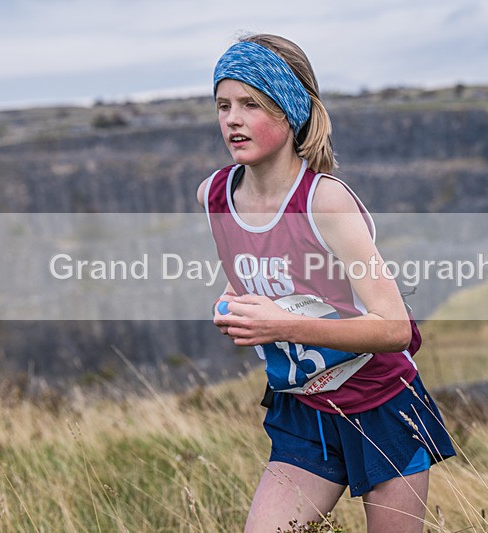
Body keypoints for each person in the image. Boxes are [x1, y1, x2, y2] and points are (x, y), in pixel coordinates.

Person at [196, 33, 455, 533]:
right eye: (223, 104)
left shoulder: (325, 201)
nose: (232, 118)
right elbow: (262, 278)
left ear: (289, 108)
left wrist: (280, 324)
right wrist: (234, 304)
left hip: (381, 404)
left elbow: (395, 328)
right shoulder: (214, 196)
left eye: (251, 103)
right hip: (302, 410)